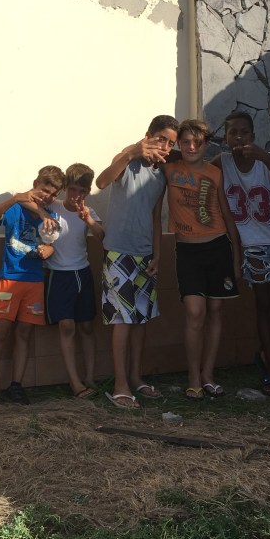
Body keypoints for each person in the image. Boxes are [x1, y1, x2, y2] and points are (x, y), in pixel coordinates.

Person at [213, 111, 270, 395]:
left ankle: (267, 353)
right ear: (226, 137)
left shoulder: (267, 160)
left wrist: (266, 157)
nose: (238, 137)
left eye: (244, 132)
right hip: (252, 244)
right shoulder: (222, 163)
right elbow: (197, 171)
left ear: (253, 135)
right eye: (232, 133)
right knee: (264, 305)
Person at [95, 114, 179, 409]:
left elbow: (156, 217)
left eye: (170, 143)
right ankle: (119, 385)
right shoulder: (127, 159)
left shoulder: (161, 174)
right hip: (119, 252)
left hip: (146, 255)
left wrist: (158, 253)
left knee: (140, 320)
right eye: (161, 139)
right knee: (122, 320)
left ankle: (135, 377)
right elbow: (102, 180)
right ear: (148, 136)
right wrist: (132, 151)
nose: (165, 147)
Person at [164, 119, 242, 400]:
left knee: (215, 312)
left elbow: (227, 213)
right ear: (179, 143)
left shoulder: (215, 173)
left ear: (207, 145)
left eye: (197, 142)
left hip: (218, 247)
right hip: (187, 251)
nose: (192, 146)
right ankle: (193, 376)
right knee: (195, 312)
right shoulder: (169, 169)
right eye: (185, 141)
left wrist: (236, 256)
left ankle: (208, 375)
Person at [0, 165, 66, 408]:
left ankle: (16, 385)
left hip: (34, 280)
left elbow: (52, 242)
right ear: (36, 182)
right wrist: (14, 198)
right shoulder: (16, 208)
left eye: (53, 194)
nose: (47, 196)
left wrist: (50, 249)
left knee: (25, 334)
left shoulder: (48, 216)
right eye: (45, 190)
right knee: (1, 331)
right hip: (10, 277)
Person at [44, 163, 104, 399]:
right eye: (72, 189)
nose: (76, 196)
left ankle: (89, 376)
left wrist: (88, 219)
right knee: (66, 326)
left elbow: (102, 237)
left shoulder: (88, 213)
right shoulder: (53, 207)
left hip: (83, 273)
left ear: (87, 192)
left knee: (87, 325)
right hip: (59, 274)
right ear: (65, 188)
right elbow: (27, 200)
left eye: (82, 191)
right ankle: (75, 382)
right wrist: (41, 212)